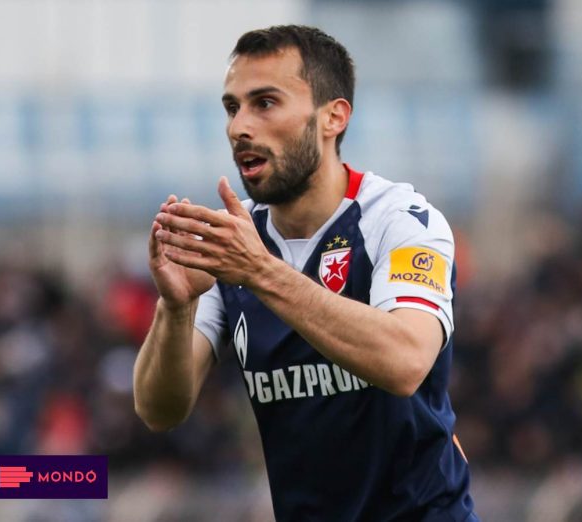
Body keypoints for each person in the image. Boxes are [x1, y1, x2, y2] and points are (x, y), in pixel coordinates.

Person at [133, 25, 479, 522]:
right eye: (232, 108)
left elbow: (405, 360)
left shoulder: (400, 220)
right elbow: (158, 409)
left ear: (333, 117)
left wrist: (260, 272)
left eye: (265, 103)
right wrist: (176, 307)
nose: (238, 127)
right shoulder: (234, 242)